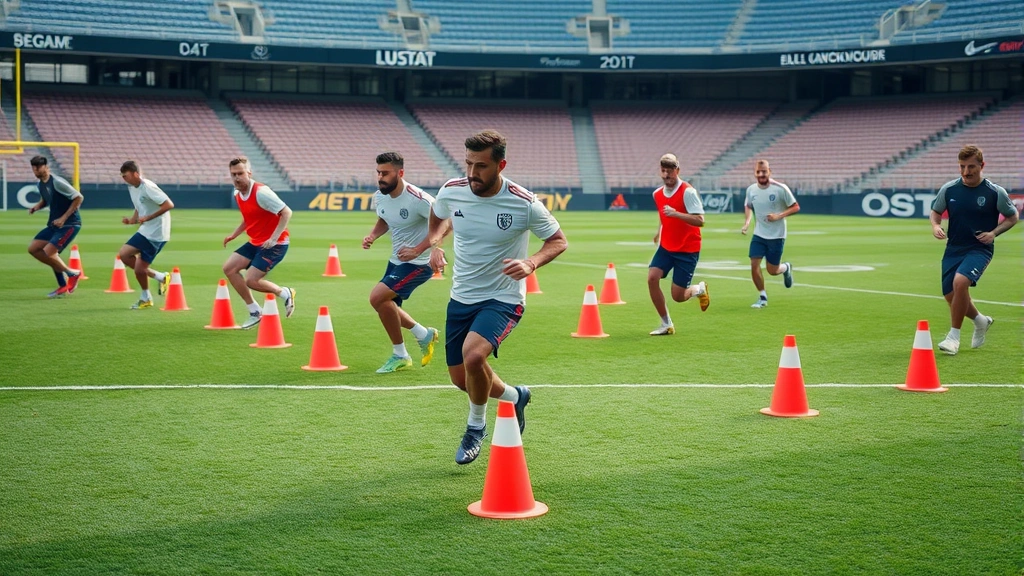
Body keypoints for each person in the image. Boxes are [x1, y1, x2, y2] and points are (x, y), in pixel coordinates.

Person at [399, 130, 567, 465]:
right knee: (462, 379)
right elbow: (439, 215)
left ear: (500, 165)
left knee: (474, 358)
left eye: (481, 166)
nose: (472, 173)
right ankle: (515, 396)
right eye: (468, 164)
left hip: (504, 298)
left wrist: (531, 262)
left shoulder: (524, 202)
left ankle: (475, 427)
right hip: (461, 296)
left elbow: (558, 240)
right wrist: (435, 243)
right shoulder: (452, 190)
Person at [930, 145, 1018, 355]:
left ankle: (953, 337)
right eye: (962, 166)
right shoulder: (949, 189)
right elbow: (935, 212)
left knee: (961, 282)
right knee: (951, 295)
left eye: (971, 167)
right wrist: (935, 226)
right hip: (954, 248)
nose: (966, 172)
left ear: (982, 165)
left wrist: (994, 233)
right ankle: (981, 321)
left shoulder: (995, 192)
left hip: (980, 248)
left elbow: (1013, 217)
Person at [362, 151, 445, 374]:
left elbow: (445, 222)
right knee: (386, 307)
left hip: (419, 263)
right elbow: (384, 218)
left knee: (377, 297)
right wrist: (373, 235)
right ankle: (419, 339)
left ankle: (403, 351)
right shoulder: (379, 196)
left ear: (400, 173)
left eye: (385, 173)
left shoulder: (419, 199)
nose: (380, 177)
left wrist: (427, 249)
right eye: (378, 172)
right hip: (396, 261)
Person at [222, 156, 296, 329]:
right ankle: (255, 311)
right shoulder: (237, 193)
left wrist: (274, 238)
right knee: (229, 269)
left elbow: (287, 212)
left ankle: (284, 292)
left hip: (275, 244)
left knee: (251, 280)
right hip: (256, 241)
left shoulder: (262, 192)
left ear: (249, 173)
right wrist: (234, 234)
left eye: (240, 173)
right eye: (233, 174)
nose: (237, 178)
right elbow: (249, 218)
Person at [648, 153, 709, 336]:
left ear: (678, 171)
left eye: (670, 171)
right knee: (652, 278)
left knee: (678, 296)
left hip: (687, 249)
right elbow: (663, 215)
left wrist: (676, 214)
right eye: (663, 171)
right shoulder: (657, 194)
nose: (666, 175)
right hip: (667, 247)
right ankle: (666, 323)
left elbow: (700, 220)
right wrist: (659, 231)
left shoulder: (688, 192)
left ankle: (698, 289)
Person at [740, 159, 799, 308]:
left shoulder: (780, 188)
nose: (761, 174)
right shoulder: (751, 189)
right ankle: (762, 296)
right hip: (759, 234)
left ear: (769, 172)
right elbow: (748, 206)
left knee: (773, 270)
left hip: (777, 235)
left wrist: (778, 216)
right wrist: (747, 222)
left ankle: (785, 268)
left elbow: (795, 207)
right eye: (758, 172)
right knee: (754, 264)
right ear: (755, 173)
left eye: (764, 171)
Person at [118, 161, 175, 310]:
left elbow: (169, 204)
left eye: (126, 176)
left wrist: (148, 218)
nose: (124, 179)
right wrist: (132, 220)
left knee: (137, 268)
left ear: (136, 174)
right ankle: (161, 277)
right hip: (146, 230)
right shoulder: (132, 187)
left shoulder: (148, 187)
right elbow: (139, 206)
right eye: (123, 177)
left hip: (156, 233)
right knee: (124, 255)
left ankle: (146, 297)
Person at [27, 155, 84, 298]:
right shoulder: (40, 184)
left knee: (49, 253)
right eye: (33, 168)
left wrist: (64, 218)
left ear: (46, 167)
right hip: (54, 224)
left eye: (38, 167)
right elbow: (46, 200)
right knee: (33, 249)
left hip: (70, 224)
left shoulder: (57, 182)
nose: (35, 170)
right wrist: (36, 207)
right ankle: (68, 278)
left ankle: (70, 276)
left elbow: (78, 197)